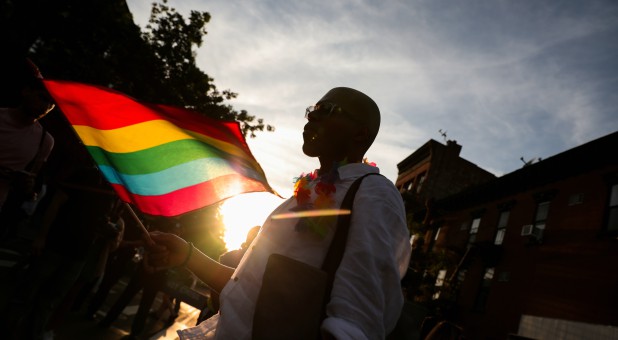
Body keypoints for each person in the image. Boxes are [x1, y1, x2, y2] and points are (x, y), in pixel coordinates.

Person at [148, 87, 412, 339]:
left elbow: (358, 316)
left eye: (328, 109)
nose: (312, 117)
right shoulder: (307, 191)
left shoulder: (374, 191)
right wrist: (187, 255)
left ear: (360, 135)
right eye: (312, 109)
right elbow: (250, 291)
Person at [0, 58, 55, 240]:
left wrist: (29, 188)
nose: (46, 106)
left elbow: (32, 181)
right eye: (43, 98)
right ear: (26, 91)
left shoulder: (44, 140)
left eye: (51, 104)